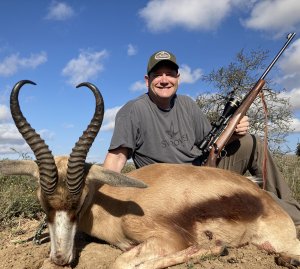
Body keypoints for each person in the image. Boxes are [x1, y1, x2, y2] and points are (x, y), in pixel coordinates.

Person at [103, 50, 300, 226]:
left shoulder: (187, 104)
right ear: (147, 80)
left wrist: (235, 133)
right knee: (249, 194)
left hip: (203, 169)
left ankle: (290, 205)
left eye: (170, 74)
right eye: (158, 75)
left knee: (252, 142)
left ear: (178, 78)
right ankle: (293, 217)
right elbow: (117, 158)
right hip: (172, 188)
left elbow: (212, 144)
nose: (164, 80)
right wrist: (102, 199)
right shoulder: (133, 111)